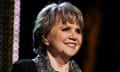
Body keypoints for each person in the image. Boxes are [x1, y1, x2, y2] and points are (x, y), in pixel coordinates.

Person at [9, 1, 84, 72]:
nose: (74, 36)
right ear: (45, 37)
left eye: (78, 31)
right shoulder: (23, 69)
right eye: (65, 29)